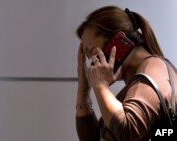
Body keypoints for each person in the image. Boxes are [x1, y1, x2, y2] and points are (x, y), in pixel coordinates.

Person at [75, 5, 177, 141]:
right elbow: (93, 138)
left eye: (93, 51)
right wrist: (83, 91)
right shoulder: (136, 84)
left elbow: (127, 132)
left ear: (118, 42)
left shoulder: (151, 73)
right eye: (88, 56)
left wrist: (101, 86)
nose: (92, 63)